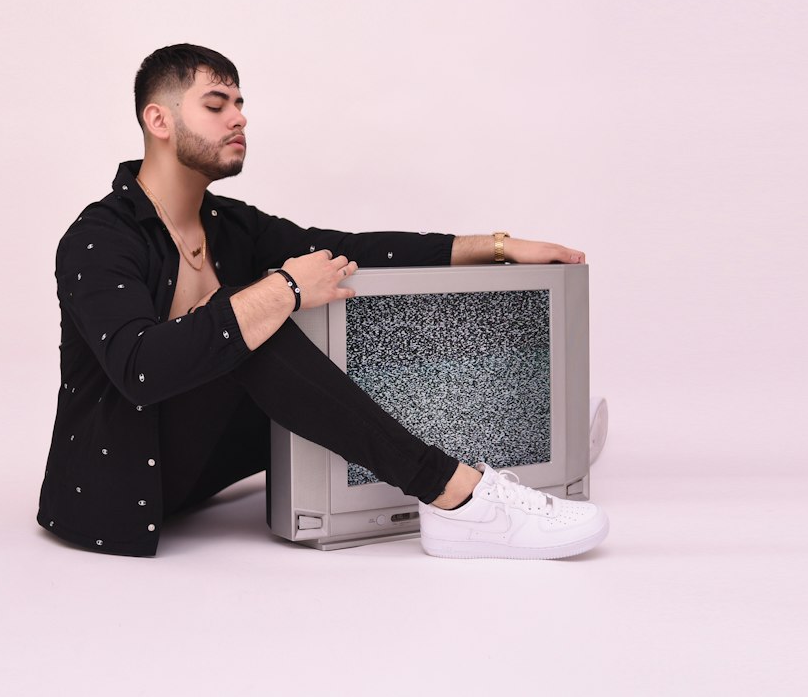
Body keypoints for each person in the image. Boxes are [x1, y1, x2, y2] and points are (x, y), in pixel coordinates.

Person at [37, 44, 609, 560]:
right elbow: (138, 369)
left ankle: (515, 451)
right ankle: (456, 498)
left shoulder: (230, 225)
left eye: (240, 103)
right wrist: (282, 289)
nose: (239, 118)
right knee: (257, 308)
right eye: (217, 105)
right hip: (119, 486)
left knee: (323, 302)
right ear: (157, 120)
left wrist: (499, 246)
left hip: (201, 460)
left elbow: (355, 252)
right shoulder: (99, 238)